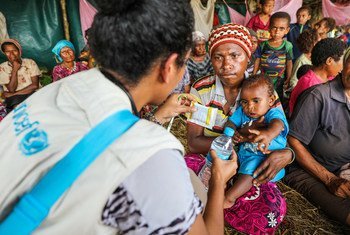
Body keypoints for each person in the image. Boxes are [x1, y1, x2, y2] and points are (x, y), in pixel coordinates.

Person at [0, 0, 239, 234]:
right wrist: (218, 179)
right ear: (168, 68)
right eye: (183, 63)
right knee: (193, 185)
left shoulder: (64, 87)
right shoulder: (153, 155)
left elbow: (101, 139)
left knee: (186, 178)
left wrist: (159, 115)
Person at [186, 23, 293, 234]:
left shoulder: (263, 89)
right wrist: (235, 140)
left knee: (267, 214)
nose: (227, 64)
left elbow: (278, 130)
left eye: (235, 56)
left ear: (248, 57)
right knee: (181, 167)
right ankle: (217, 207)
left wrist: (288, 154)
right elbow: (193, 142)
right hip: (211, 159)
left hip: (250, 166)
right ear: (211, 59)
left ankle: (208, 207)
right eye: (218, 57)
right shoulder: (200, 89)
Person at [285, 47, 350, 225]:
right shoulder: (318, 96)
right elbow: (293, 140)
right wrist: (329, 178)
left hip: (342, 166)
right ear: (345, 65)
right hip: (308, 171)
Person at [224, 74, 288, 209]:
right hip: (244, 155)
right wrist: (231, 133)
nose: (250, 107)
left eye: (256, 101)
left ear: (270, 101)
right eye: (245, 102)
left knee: (250, 171)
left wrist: (268, 135)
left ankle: (229, 198)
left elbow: (278, 124)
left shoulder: (272, 114)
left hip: (262, 158)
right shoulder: (242, 112)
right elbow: (231, 122)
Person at [289, 38, 346, 115]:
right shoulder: (310, 86)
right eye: (343, 61)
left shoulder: (330, 77)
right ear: (329, 61)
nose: (344, 66)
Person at [253, 12, 293, 103]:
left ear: (287, 30)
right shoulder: (263, 45)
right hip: (264, 78)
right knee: (263, 98)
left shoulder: (288, 46)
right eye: (274, 27)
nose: (277, 31)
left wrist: (289, 77)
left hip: (279, 79)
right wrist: (254, 73)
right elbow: (258, 59)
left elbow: (289, 62)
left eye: (281, 28)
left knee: (277, 99)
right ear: (269, 28)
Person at [0, 39, 41, 112]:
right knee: (19, 109)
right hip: (15, 99)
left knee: (36, 108)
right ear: (4, 53)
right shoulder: (2, 68)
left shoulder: (30, 63)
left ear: (19, 51)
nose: (11, 54)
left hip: (33, 93)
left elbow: (35, 86)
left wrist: (13, 94)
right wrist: (15, 69)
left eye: (14, 50)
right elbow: (11, 89)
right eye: (7, 52)